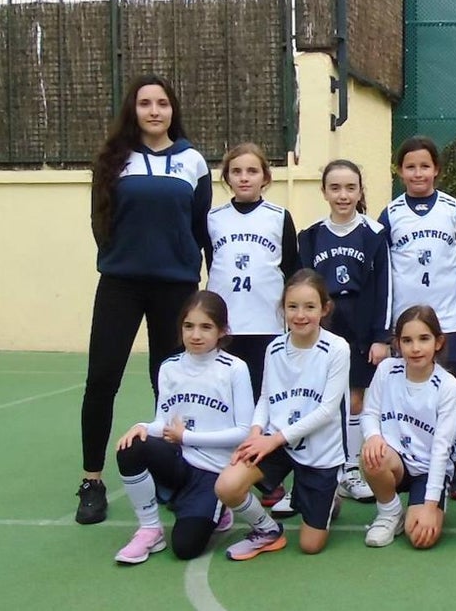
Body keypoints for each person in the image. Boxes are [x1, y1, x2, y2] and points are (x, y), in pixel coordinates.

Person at [78, 74, 212, 525]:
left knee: (169, 382)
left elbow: (199, 227)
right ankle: (92, 480)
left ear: (173, 110)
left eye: (162, 103)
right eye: (144, 103)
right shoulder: (113, 160)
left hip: (175, 287)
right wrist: (121, 258)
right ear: (132, 110)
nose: (154, 111)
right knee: (102, 380)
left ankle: (171, 473)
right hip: (121, 284)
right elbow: (100, 221)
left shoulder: (192, 161)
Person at [213, 270, 351, 561]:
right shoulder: (274, 348)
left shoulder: (337, 349)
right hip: (277, 443)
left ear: (324, 309)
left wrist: (271, 440)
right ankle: (267, 531)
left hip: (318, 452)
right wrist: (254, 433)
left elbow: (327, 411)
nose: (300, 315)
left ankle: (327, 497)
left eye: (309, 307)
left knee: (310, 546)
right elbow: (265, 397)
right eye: (292, 307)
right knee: (227, 485)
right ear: (283, 309)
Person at [113, 291, 254, 563]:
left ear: (223, 330)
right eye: (188, 326)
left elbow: (244, 432)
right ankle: (149, 529)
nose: (196, 335)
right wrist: (141, 427)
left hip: (212, 471)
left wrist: (186, 436)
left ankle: (218, 508)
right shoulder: (169, 367)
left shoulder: (235, 369)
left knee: (185, 548)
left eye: (206, 327)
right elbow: (162, 423)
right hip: (178, 462)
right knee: (131, 446)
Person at [298, 160, 391, 504]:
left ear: (361, 191)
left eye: (350, 188)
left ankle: (350, 469)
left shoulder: (374, 234)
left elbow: (385, 286)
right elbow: (300, 288)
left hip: (361, 325)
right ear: (323, 191)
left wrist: (381, 336)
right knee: (322, 399)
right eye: (335, 188)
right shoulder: (309, 236)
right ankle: (321, 468)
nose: (343, 195)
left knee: (355, 400)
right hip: (323, 324)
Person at [361, 305, 456, 550]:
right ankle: (389, 513)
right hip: (395, 462)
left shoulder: (448, 386)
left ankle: (428, 504)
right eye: (407, 340)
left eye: (424, 339)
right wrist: (374, 437)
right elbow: (370, 414)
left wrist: (429, 507)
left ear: (438, 342)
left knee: (421, 537)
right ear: (397, 344)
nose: (415, 348)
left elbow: (441, 450)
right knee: (373, 454)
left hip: (428, 469)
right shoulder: (387, 370)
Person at [206, 142, 300, 398]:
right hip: (226, 324)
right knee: (228, 394)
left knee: (264, 393)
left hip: (267, 322)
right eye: (236, 172)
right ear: (227, 177)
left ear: (265, 176)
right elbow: (212, 264)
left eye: (252, 171)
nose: (244, 178)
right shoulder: (213, 218)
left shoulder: (279, 216)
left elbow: (292, 269)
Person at [380, 136, 456, 382]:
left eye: (425, 166)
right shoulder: (391, 214)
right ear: (400, 171)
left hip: (448, 319)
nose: (418, 173)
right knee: (406, 391)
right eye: (410, 167)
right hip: (405, 320)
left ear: (436, 169)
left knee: (449, 390)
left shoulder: (453, 210)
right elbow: (383, 270)